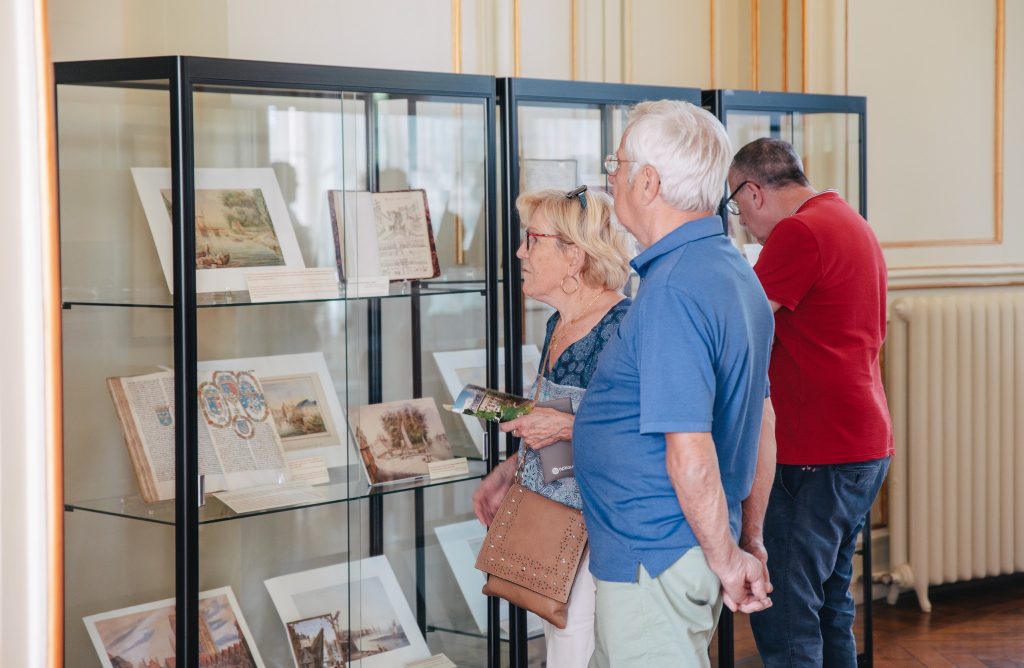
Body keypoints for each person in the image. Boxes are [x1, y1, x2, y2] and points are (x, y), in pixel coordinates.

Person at [572, 100, 777, 668]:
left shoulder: (675, 289)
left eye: (615, 162)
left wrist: (729, 553)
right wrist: (744, 539)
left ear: (648, 181)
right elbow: (762, 425)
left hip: (654, 556)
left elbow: (689, 451)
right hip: (669, 551)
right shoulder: (730, 269)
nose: (608, 175)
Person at [728, 137, 893, 667]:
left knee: (787, 617)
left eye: (735, 205)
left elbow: (739, 324)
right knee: (828, 606)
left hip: (814, 450)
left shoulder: (799, 232)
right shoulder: (844, 217)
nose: (742, 221)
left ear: (754, 192)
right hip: (859, 443)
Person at [472, 185, 633, 667]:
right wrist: (511, 469)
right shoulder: (558, 323)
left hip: (598, 528)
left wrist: (564, 427)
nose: (520, 251)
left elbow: (637, 428)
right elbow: (555, 418)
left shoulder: (622, 326)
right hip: (552, 520)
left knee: (575, 648)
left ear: (573, 256)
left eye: (531, 239)